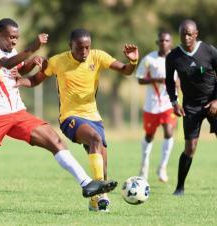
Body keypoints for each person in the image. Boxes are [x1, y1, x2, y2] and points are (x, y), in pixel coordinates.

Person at [0, 18, 117, 211]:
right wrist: (34, 47)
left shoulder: (12, 50)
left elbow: (18, 69)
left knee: (55, 141)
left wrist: (32, 63)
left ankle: (86, 184)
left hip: (18, 112)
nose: (14, 41)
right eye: (11, 37)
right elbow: (8, 64)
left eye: (17, 37)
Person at [15, 28, 139, 211]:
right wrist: (19, 81)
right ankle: (101, 194)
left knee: (103, 164)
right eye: (80, 48)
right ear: (70, 46)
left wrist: (133, 60)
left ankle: (95, 202)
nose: (84, 52)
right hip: (70, 118)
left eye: (87, 47)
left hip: (94, 118)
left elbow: (126, 71)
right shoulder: (58, 61)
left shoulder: (98, 57)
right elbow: (35, 80)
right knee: (95, 139)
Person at [165, 19, 217, 196]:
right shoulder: (173, 56)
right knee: (190, 147)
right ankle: (180, 187)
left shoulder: (209, 51)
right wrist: (174, 102)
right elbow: (169, 82)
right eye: (182, 34)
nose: (186, 37)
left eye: (189, 34)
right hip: (191, 106)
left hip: (212, 102)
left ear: (196, 34)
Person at [136, 31, 177, 183]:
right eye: (161, 40)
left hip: (169, 104)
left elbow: (181, 78)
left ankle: (162, 167)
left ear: (171, 43)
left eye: (166, 40)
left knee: (169, 131)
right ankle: (144, 166)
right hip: (151, 105)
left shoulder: (177, 59)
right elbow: (140, 79)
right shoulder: (149, 59)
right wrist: (157, 79)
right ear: (157, 42)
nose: (163, 43)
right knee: (149, 136)